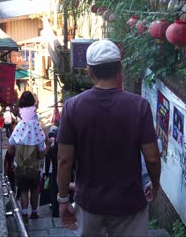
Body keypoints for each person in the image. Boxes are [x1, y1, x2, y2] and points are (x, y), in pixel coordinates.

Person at [56, 39, 161, 236]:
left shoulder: (72, 107)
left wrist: (63, 200)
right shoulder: (139, 106)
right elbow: (153, 158)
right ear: (120, 68)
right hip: (129, 204)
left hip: (89, 204)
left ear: (90, 71)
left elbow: (64, 160)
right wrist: (155, 185)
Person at [8, 91, 49, 224]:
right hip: (34, 167)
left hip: (19, 166)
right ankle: (34, 213)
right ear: (33, 106)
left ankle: (24, 214)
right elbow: (42, 152)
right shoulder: (37, 127)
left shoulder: (18, 127)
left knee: (24, 190)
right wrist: (48, 145)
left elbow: (10, 148)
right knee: (34, 190)